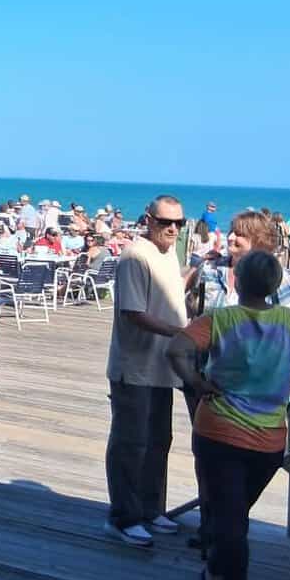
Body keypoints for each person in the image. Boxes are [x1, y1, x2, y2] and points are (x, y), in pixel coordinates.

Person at [167, 251, 290, 580]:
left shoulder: (220, 319)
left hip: (218, 431)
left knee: (231, 518)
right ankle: (215, 572)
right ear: (274, 286)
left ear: (236, 281)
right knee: (234, 513)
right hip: (269, 439)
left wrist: (195, 382)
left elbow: (175, 349)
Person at [103, 195, 187, 547]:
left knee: (158, 441)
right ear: (148, 220)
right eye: (165, 222)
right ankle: (123, 517)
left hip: (163, 367)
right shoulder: (135, 256)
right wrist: (182, 334)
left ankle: (152, 509)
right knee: (130, 443)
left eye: (179, 224)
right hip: (134, 367)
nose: (172, 229)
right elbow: (133, 313)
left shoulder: (169, 255)